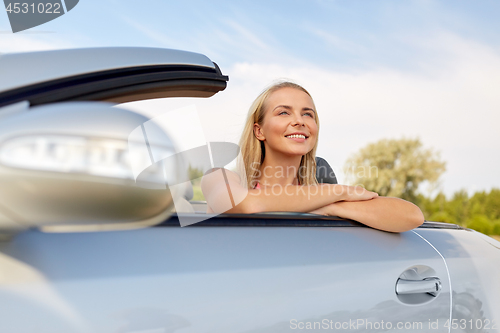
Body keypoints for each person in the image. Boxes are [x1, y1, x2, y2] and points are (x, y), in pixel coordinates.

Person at [201, 81, 424, 232]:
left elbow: (412, 216)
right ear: (259, 131)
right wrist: (337, 192)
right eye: (283, 112)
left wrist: (331, 207)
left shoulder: (322, 196)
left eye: (308, 114)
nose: (300, 121)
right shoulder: (219, 178)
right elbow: (247, 205)